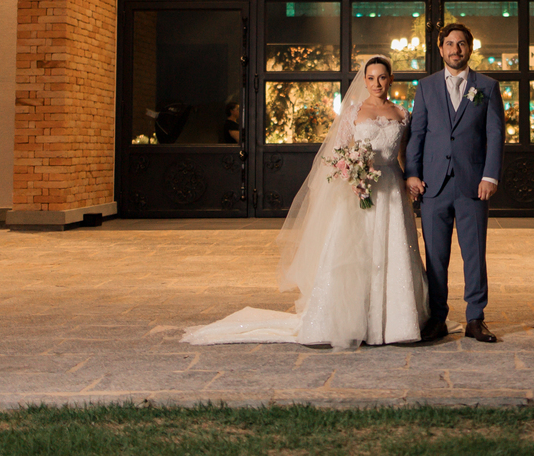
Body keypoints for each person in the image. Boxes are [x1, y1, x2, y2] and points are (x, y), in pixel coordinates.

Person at [181, 56, 428, 349]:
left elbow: (403, 154)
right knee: (356, 252)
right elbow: (338, 153)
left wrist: (409, 179)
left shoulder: (401, 113)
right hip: (360, 189)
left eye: (382, 77)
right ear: (364, 81)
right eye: (371, 78)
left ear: (391, 79)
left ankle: (393, 323)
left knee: (392, 249)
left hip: (391, 187)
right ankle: (351, 320)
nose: (377, 83)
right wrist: (352, 174)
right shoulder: (353, 111)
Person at [406, 23, 505, 344]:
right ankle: (437, 318)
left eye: (461, 44)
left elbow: (495, 134)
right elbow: (417, 134)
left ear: (470, 48)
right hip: (433, 185)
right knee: (435, 256)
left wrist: (490, 176)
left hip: (473, 185)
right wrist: (412, 173)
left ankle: (475, 318)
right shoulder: (426, 87)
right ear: (440, 49)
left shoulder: (487, 87)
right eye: (449, 44)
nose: (455, 49)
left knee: (474, 253)